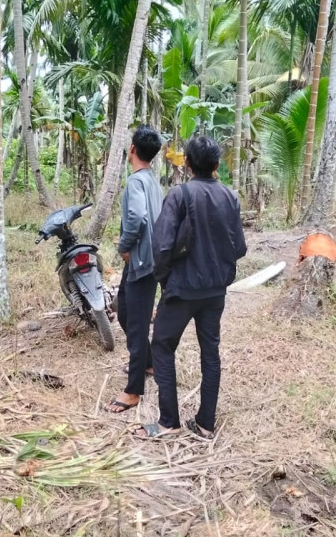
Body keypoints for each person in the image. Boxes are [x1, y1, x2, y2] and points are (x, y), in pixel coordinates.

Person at [135, 136, 247, 439]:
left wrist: (165, 281)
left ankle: (168, 421)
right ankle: (205, 423)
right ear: (216, 165)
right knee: (210, 352)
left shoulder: (179, 195)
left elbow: (162, 246)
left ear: (187, 164)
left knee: (161, 346)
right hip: (215, 292)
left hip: (182, 290)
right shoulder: (230, 196)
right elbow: (239, 248)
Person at [105, 125, 163, 414]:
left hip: (140, 261)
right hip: (145, 260)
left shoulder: (136, 182)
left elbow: (137, 217)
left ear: (132, 150)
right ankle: (148, 362)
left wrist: (124, 246)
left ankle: (133, 390)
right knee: (126, 311)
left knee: (137, 322)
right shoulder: (152, 180)